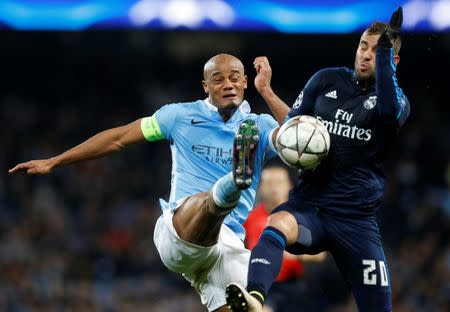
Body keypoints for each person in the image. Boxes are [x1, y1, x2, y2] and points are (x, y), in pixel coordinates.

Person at [9, 53, 279, 312]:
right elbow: (119, 138)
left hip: (227, 247)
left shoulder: (261, 126)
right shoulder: (179, 117)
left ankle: (231, 185)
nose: (228, 84)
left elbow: (307, 140)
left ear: (245, 82)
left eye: (234, 77)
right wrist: (56, 161)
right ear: (205, 86)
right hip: (179, 231)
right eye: (218, 79)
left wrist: (266, 91)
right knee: (209, 203)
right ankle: (234, 181)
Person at [226, 7, 410, 312]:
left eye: (377, 51)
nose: (367, 54)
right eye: (364, 46)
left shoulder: (398, 102)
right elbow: (294, 131)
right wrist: (267, 92)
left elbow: (389, 113)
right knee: (277, 222)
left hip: (355, 220)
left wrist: (384, 58)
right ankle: (254, 299)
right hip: (310, 206)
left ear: (392, 61)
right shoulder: (327, 80)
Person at [244, 165, 326, 312]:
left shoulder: (299, 218)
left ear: (289, 185)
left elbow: (320, 255)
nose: (274, 188)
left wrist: (295, 255)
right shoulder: (249, 218)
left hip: (292, 287)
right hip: (259, 286)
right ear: (260, 187)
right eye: (269, 183)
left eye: (279, 182)